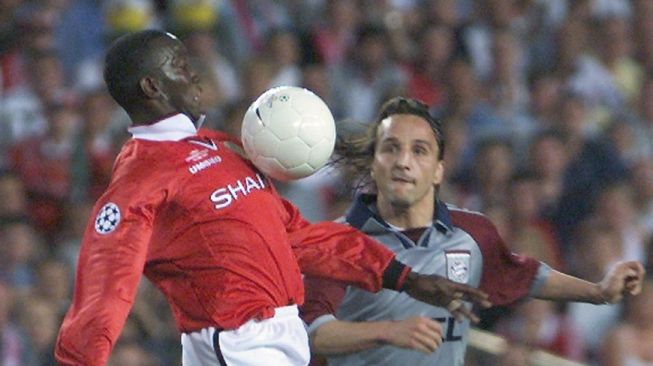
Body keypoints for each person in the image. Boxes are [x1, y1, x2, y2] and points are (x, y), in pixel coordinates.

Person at [53, 30, 491, 366]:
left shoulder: (219, 148)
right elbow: (105, 290)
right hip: (237, 343)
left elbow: (298, 238)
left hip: (282, 335)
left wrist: (406, 278)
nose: (195, 74)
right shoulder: (140, 181)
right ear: (152, 86)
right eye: (180, 66)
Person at [300, 97, 645, 366]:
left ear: (438, 171)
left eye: (419, 150)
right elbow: (316, 335)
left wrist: (599, 292)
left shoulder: (472, 232)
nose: (403, 161)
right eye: (391, 148)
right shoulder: (336, 243)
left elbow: (528, 275)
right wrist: (389, 332)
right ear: (374, 165)